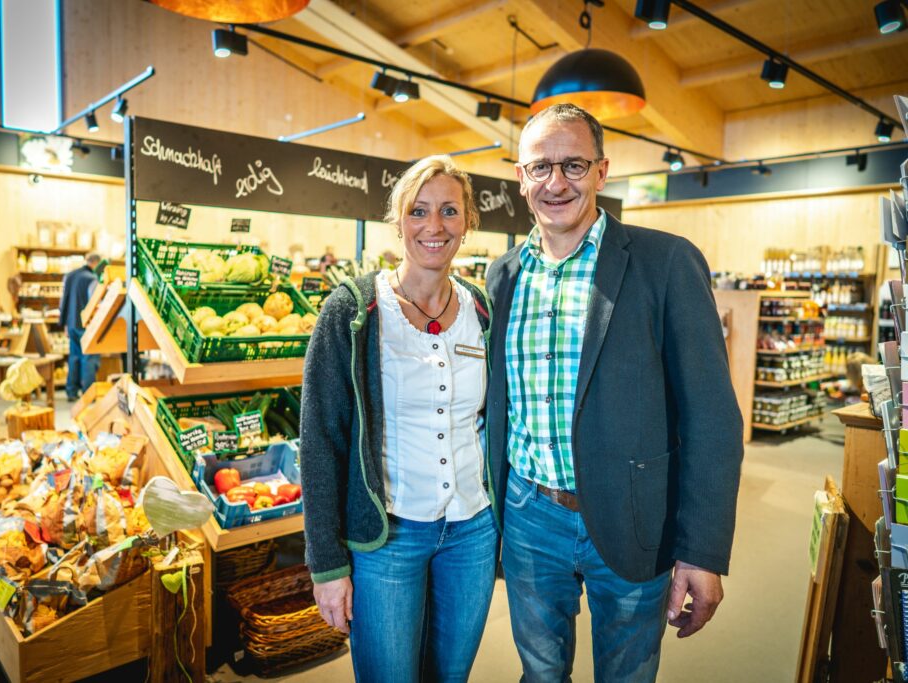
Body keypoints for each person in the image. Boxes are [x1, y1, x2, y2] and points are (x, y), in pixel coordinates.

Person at [485, 103, 744, 682]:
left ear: (602, 171)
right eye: (540, 167)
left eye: (573, 165)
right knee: (540, 674)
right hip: (529, 518)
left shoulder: (666, 262)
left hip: (632, 519)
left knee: (627, 674)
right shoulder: (502, 276)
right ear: (520, 178)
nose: (556, 183)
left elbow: (712, 417)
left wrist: (702, 549)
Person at [301, 155, 498, 683]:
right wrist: (327, 565)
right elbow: (320, 441)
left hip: (471, 531)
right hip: (388, 536)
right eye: (419, 211)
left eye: (450, 211)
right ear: (398, 223)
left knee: (450, 675)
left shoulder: (482, 312)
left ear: (468, 223)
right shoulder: (354, 312)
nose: (434, 227)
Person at [59, 252, 102, 401]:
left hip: (71, 324)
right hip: (86, 325)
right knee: (89, 358)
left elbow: (63, 301)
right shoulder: (92, 279)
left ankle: (71, 392)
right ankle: (88, 393)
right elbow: (95, 304)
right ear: (96, 263)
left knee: (74, 357)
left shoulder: (70, 276)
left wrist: (64, 323)